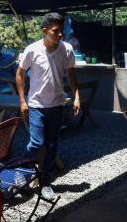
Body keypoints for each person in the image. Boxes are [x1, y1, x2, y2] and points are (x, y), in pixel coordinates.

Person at [16, 12, 80, 200]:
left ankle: (45, 182)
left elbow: (71, 74)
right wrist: (22, 100)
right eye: (55, 31)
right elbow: (19, 74)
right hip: (36, 104)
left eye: (61, 30)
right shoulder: (32, 50)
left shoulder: (66, 49)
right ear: (45, 31)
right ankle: (22, 170)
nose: (60, 34)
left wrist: (76, 96)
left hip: (57, 104)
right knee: (37, 142)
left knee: (53, 145)